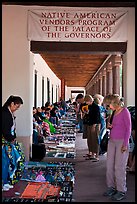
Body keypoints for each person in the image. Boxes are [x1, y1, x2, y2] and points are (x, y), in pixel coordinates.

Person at [103, 94, 132, 201]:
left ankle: (121, 190)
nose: (108, 106)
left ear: (114, 103)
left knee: (119, 167)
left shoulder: (125, 112)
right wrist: (110, 126)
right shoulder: (114, 112)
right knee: (109, 165)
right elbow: (113, 125)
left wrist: (125, 144)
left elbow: (128, 129)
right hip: (112, 141)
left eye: (108, 104)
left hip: (121, 142)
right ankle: (111, 187)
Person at [2, 95, 25, 191]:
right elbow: (5, 129)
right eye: (16, 106)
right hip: (5, 141)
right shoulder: (4, 113)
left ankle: (7, 180)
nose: (16, 109)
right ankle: (4, 182)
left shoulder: (8, 113)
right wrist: (11, 139)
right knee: (5, 161)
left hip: (9, 140)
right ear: (12, 104)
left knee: (9, 161)